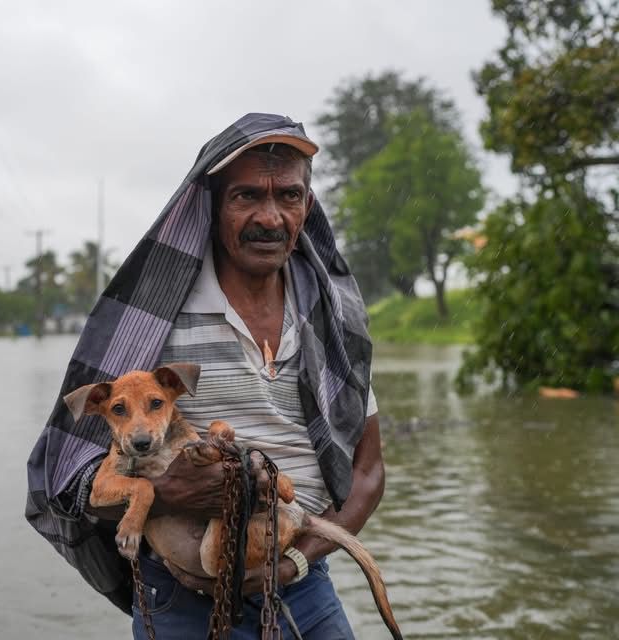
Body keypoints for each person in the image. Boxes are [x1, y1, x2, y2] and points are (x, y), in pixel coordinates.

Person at [26, 113, 383, 639]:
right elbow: (67, 479)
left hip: (306, 585)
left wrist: (294, 564)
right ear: (210, 206)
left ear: (307, 206)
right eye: (245, 197)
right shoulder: (152, 320)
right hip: (184, 603)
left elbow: (369, 475)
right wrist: (167, 494)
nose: (270, 217)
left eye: (287, 195)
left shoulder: (332, 319)